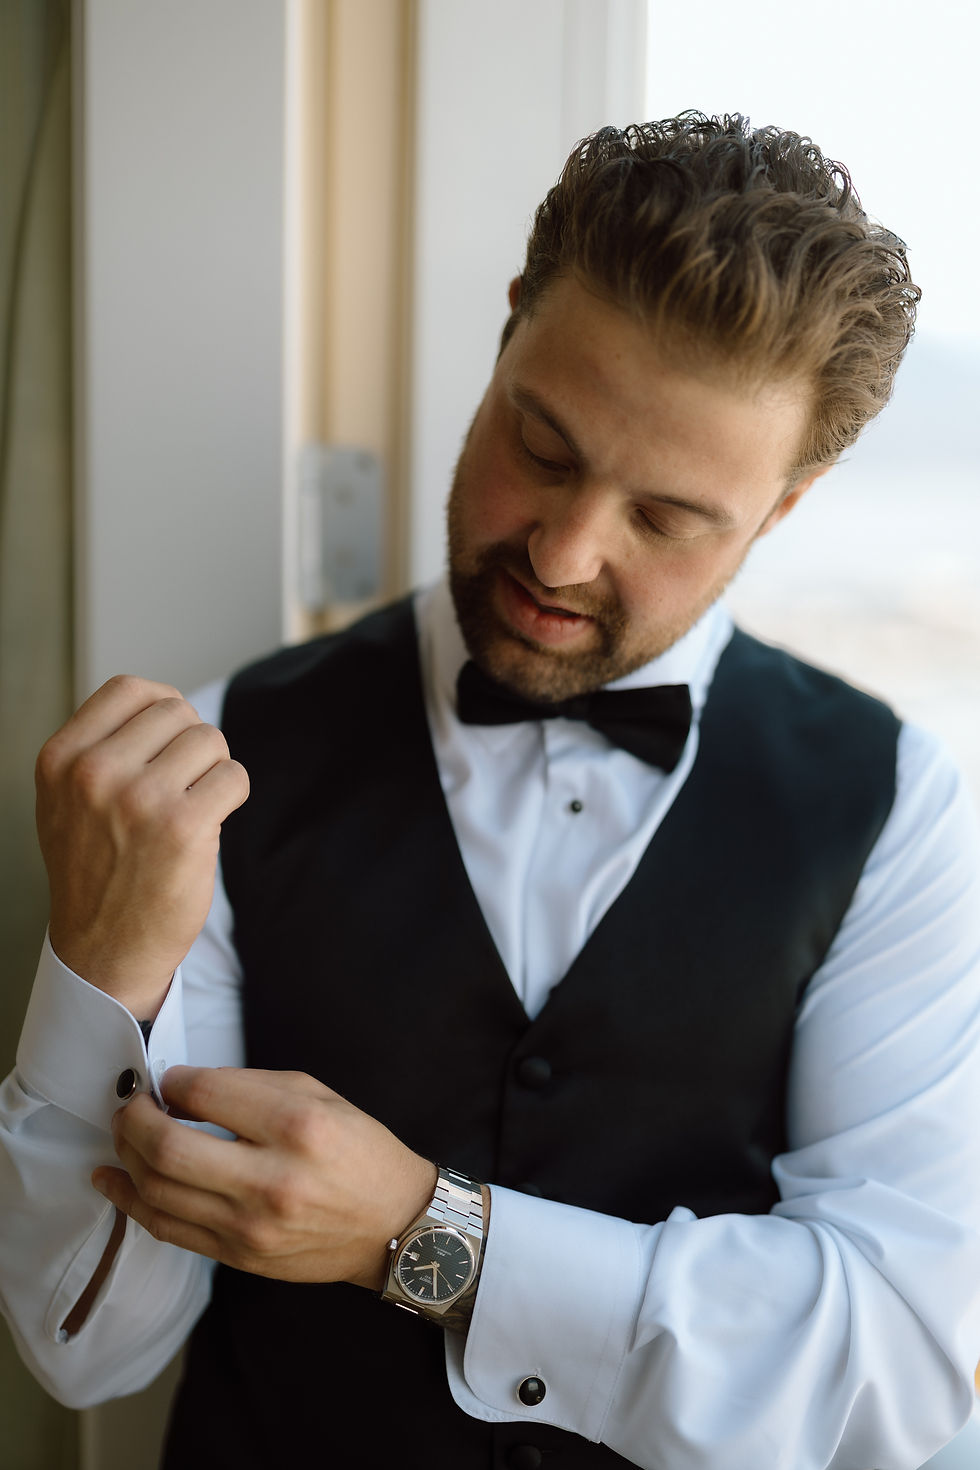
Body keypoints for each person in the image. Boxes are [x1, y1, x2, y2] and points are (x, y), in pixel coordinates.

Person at [2, 113, 979, 1470]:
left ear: (784, 507)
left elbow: (898, 1368)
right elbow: (84, 1344)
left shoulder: (897, 812)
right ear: (511, 325)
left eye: (665, 517)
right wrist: (100, 967)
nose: (564, 554)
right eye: (545, 446)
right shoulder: (219, 761)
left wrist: (430, 1236)